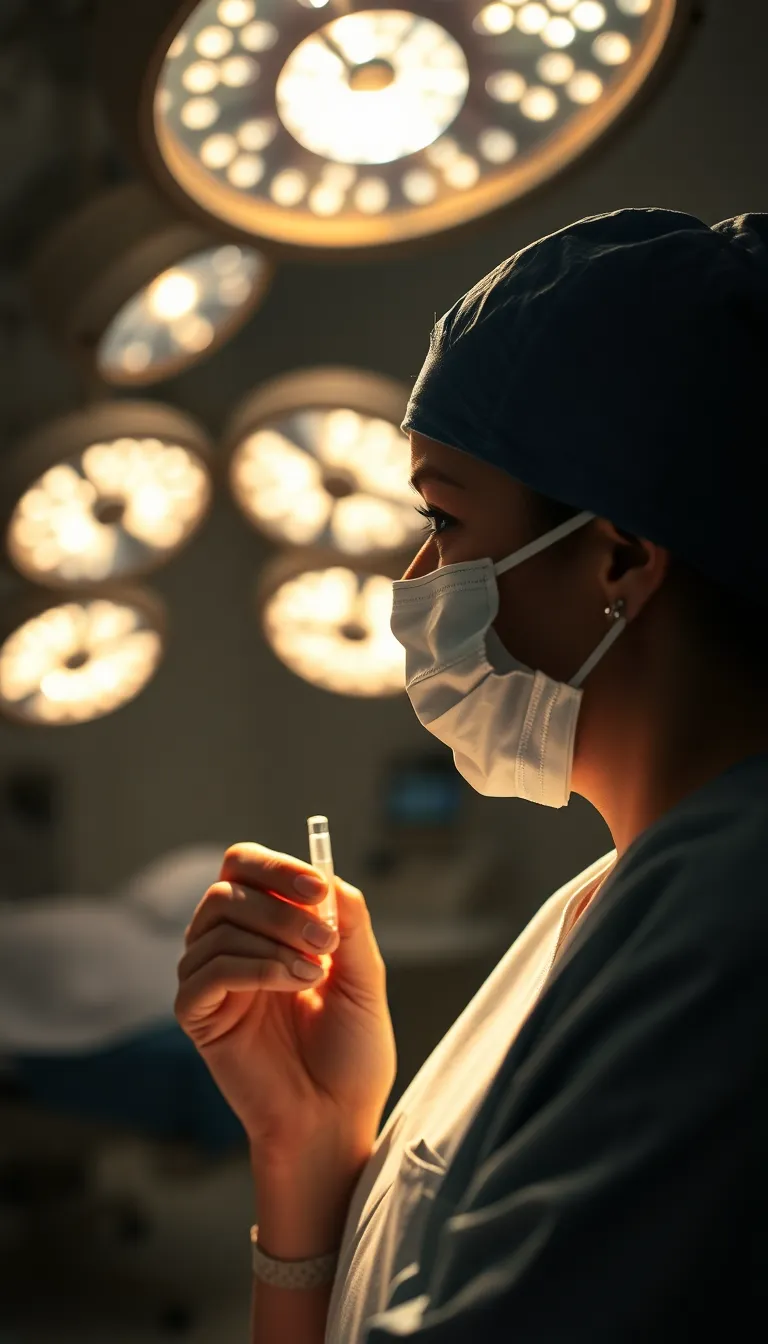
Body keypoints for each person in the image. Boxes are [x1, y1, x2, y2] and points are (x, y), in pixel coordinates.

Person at [174, 209, 768, 1344]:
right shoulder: (604, 907)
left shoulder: (731, 919)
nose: (414, 577)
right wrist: (310, 1146)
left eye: (442, 517)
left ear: (620, 557)